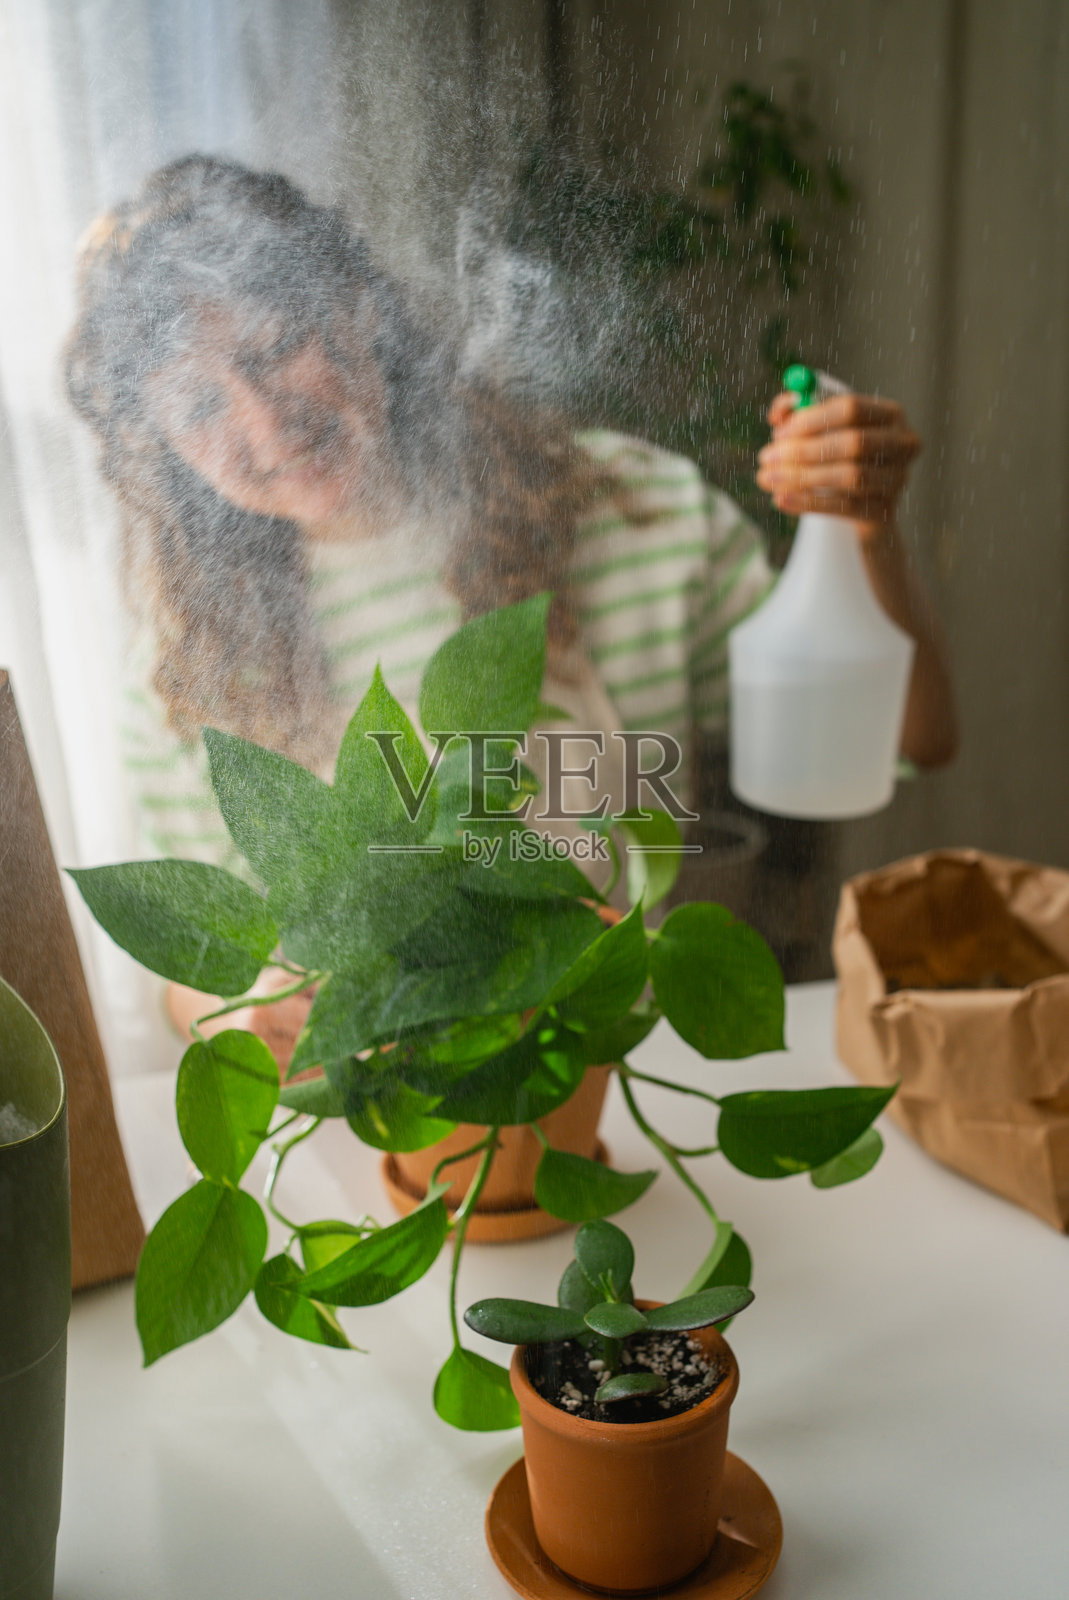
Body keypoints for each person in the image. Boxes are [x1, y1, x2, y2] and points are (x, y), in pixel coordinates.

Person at [66, 155, 956, 1040]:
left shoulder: (637, 517)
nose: (263, 423)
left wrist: (862, 529)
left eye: (274, 350)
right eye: (197, 406)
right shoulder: (181, 671)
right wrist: (242, 1003)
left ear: (356, 306)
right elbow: (186, 970)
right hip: (379, 1129)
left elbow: (908, 743)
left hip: (633, 1086)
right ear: (161, 448)